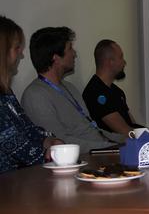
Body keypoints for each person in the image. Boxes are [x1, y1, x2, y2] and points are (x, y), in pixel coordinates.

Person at [21, 27, 124, 154]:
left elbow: (91, 130)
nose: (74, 54)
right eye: (70, 48)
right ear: (56, 58)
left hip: (101, 151)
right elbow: (59, 142)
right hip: (87, 159)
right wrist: (108, 148)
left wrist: (127, 140)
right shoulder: (36, 96)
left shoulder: (70, 87)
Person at [0, 16, 63, 173]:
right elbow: (16, 146)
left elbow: (28, 129)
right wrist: (56, 155)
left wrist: (48, 140)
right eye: (17, 48)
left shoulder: (6, 92)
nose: (21, 54)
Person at [82, 39, 143, 136]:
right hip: (112, 148)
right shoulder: (95, 92)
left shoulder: (117, 92)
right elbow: (125, 131)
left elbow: (131, 124)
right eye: (121, 57)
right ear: (110, 62)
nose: (124, 62)